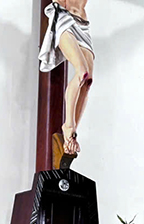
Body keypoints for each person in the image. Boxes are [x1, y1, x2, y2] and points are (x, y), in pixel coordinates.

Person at [38, 0, 94, 162]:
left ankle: (72, 133)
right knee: (82, 72)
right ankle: (68, 126)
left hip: (82, 24)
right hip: (64, 18)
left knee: (88, 82)